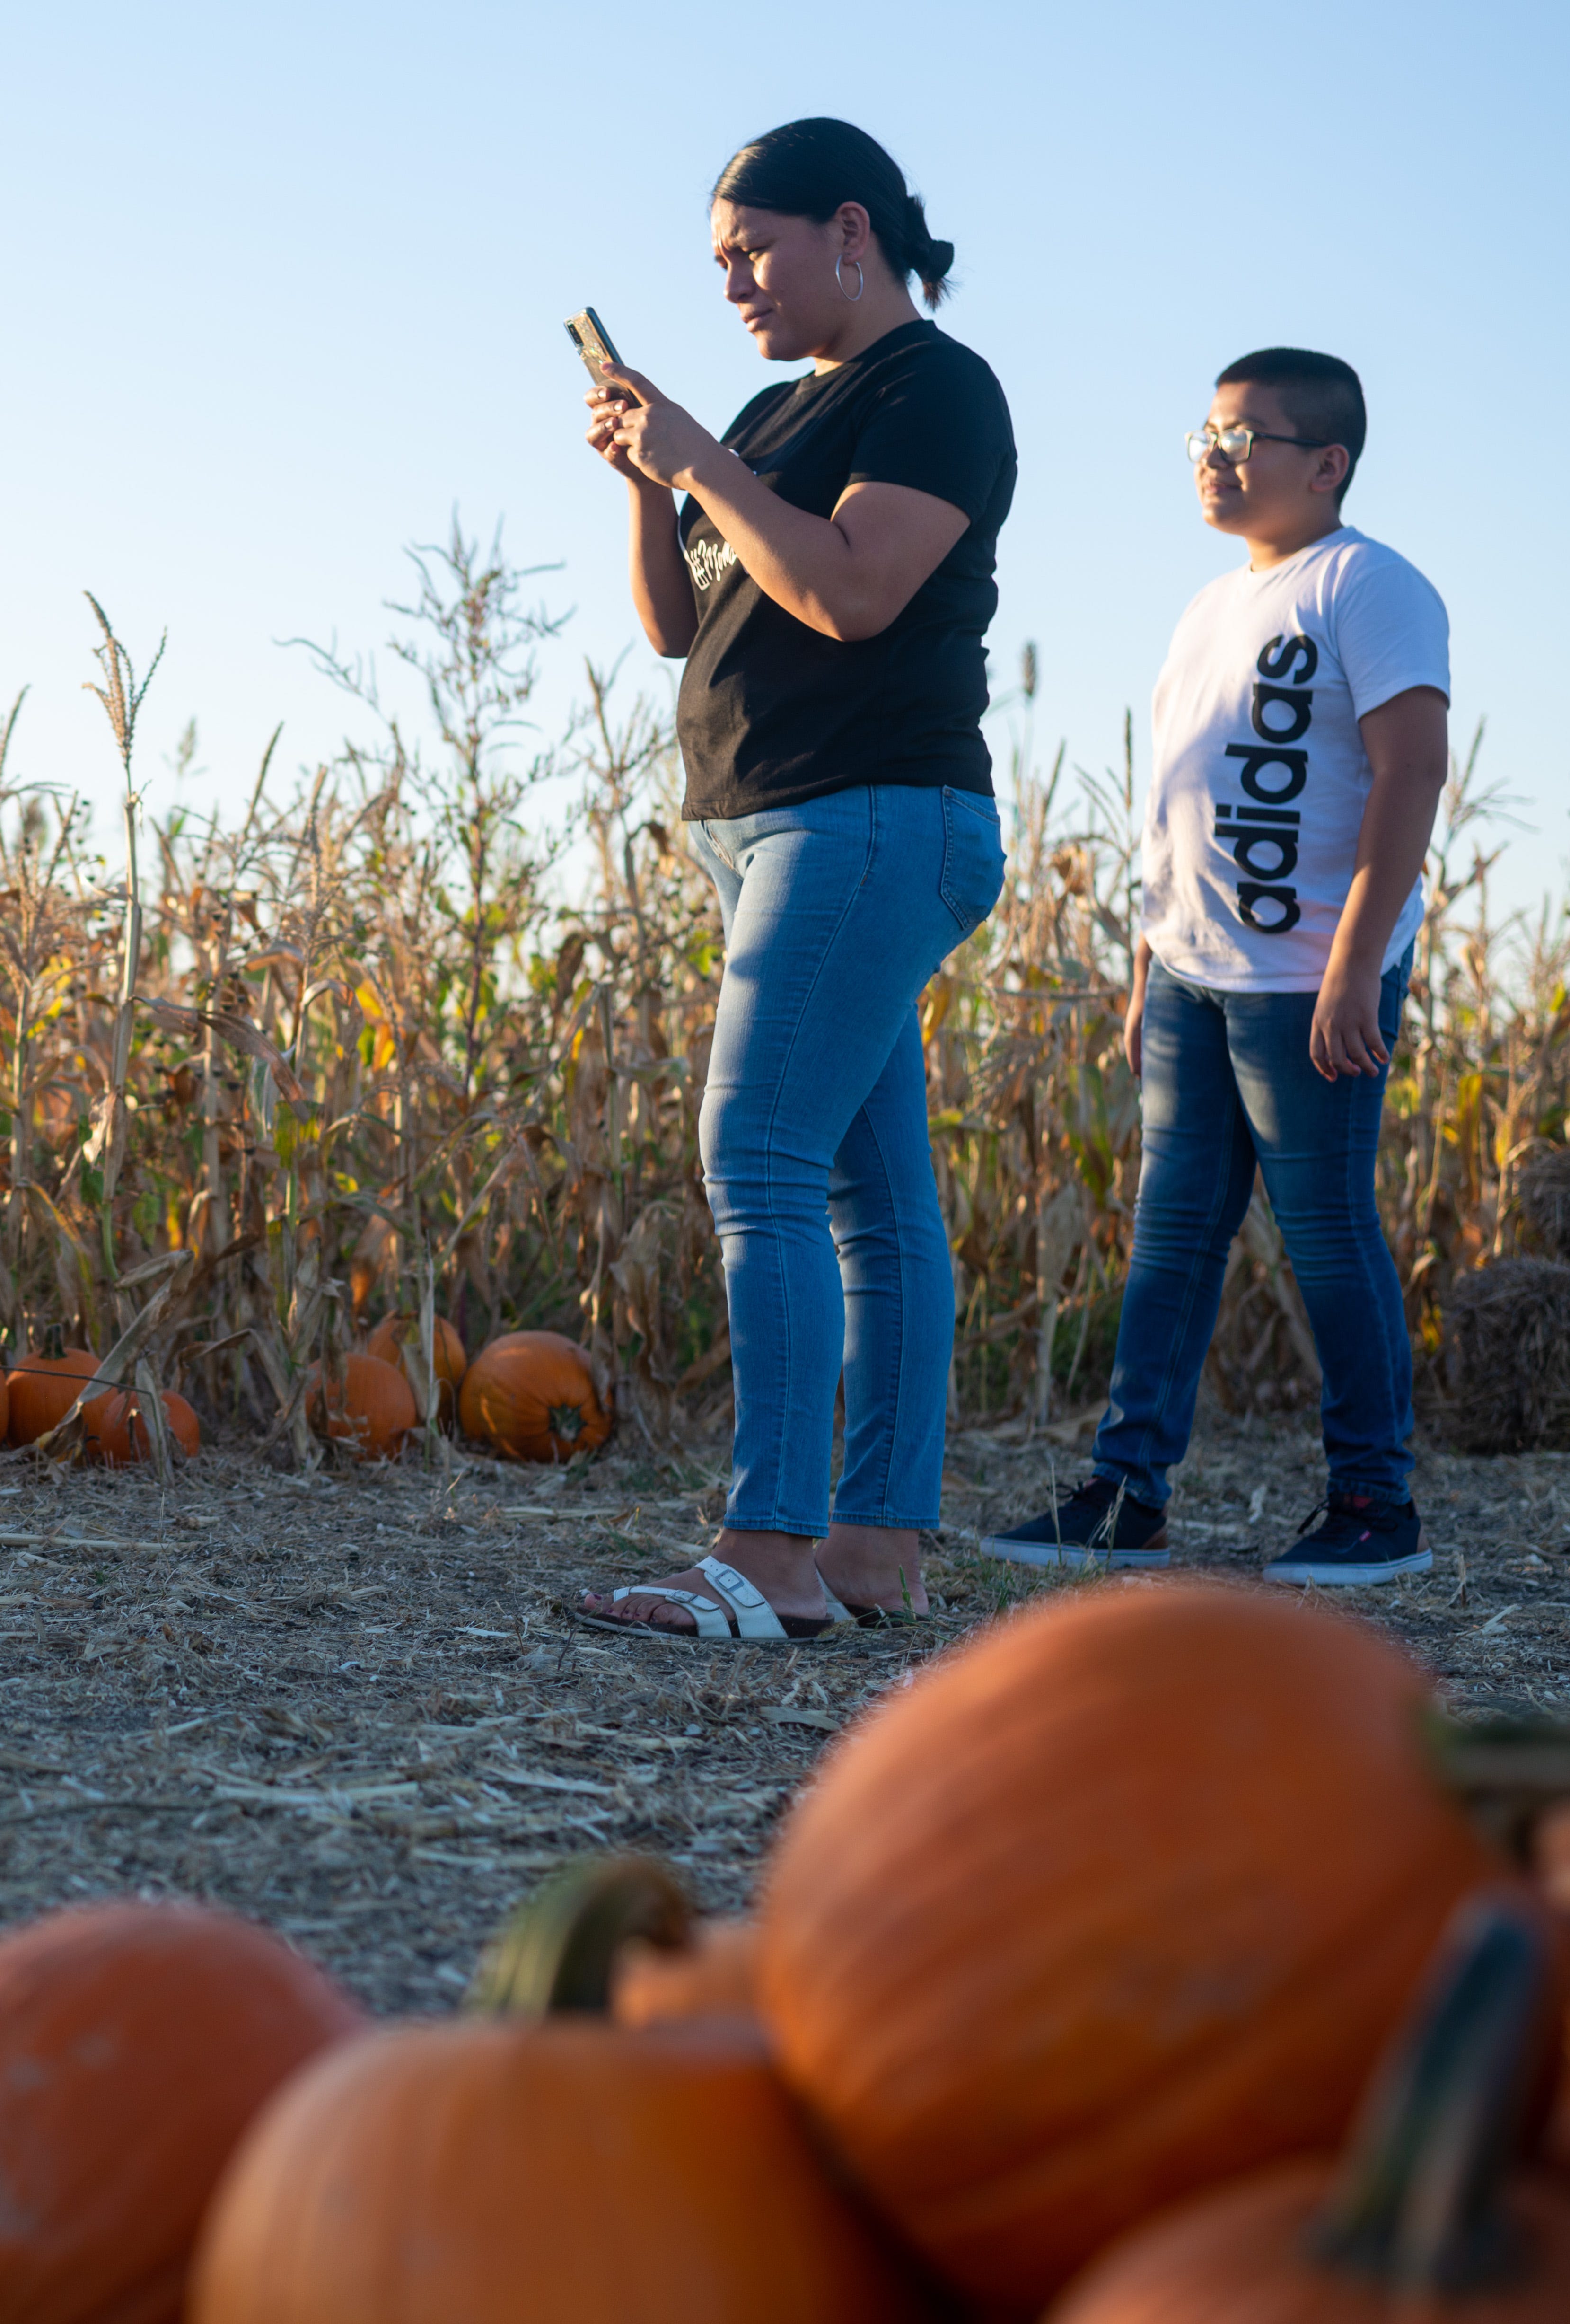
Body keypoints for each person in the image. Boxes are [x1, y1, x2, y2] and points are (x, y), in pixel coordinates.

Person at [570, 118, 1012, 1644]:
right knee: (876, 1204)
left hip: (875, 815)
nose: (735, 284)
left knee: (756, 1153)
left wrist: (699, 453)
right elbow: (680, 625)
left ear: (850, 229)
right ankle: (873, 1555)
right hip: (784, 828)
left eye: (751, 250)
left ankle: (767, 1555)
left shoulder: (936, 390)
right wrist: (653, 475)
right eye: (716, 264)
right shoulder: (770, 412)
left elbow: (847, 588)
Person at [983, 351, 1447, 1583]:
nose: (1213, 452)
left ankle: (1372, 1505)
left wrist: (1356, 962)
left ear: (1328, 463)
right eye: (1205, 430)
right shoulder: (1206, 608)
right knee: (1172, 1233)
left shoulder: (1369, 586)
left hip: (1309, 982)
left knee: (1326, 1231)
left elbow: (1410, 772)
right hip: (1193, 977)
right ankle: (1126, 1495)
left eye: (1245, 435)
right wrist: (1147, 974)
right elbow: (1173, 805)